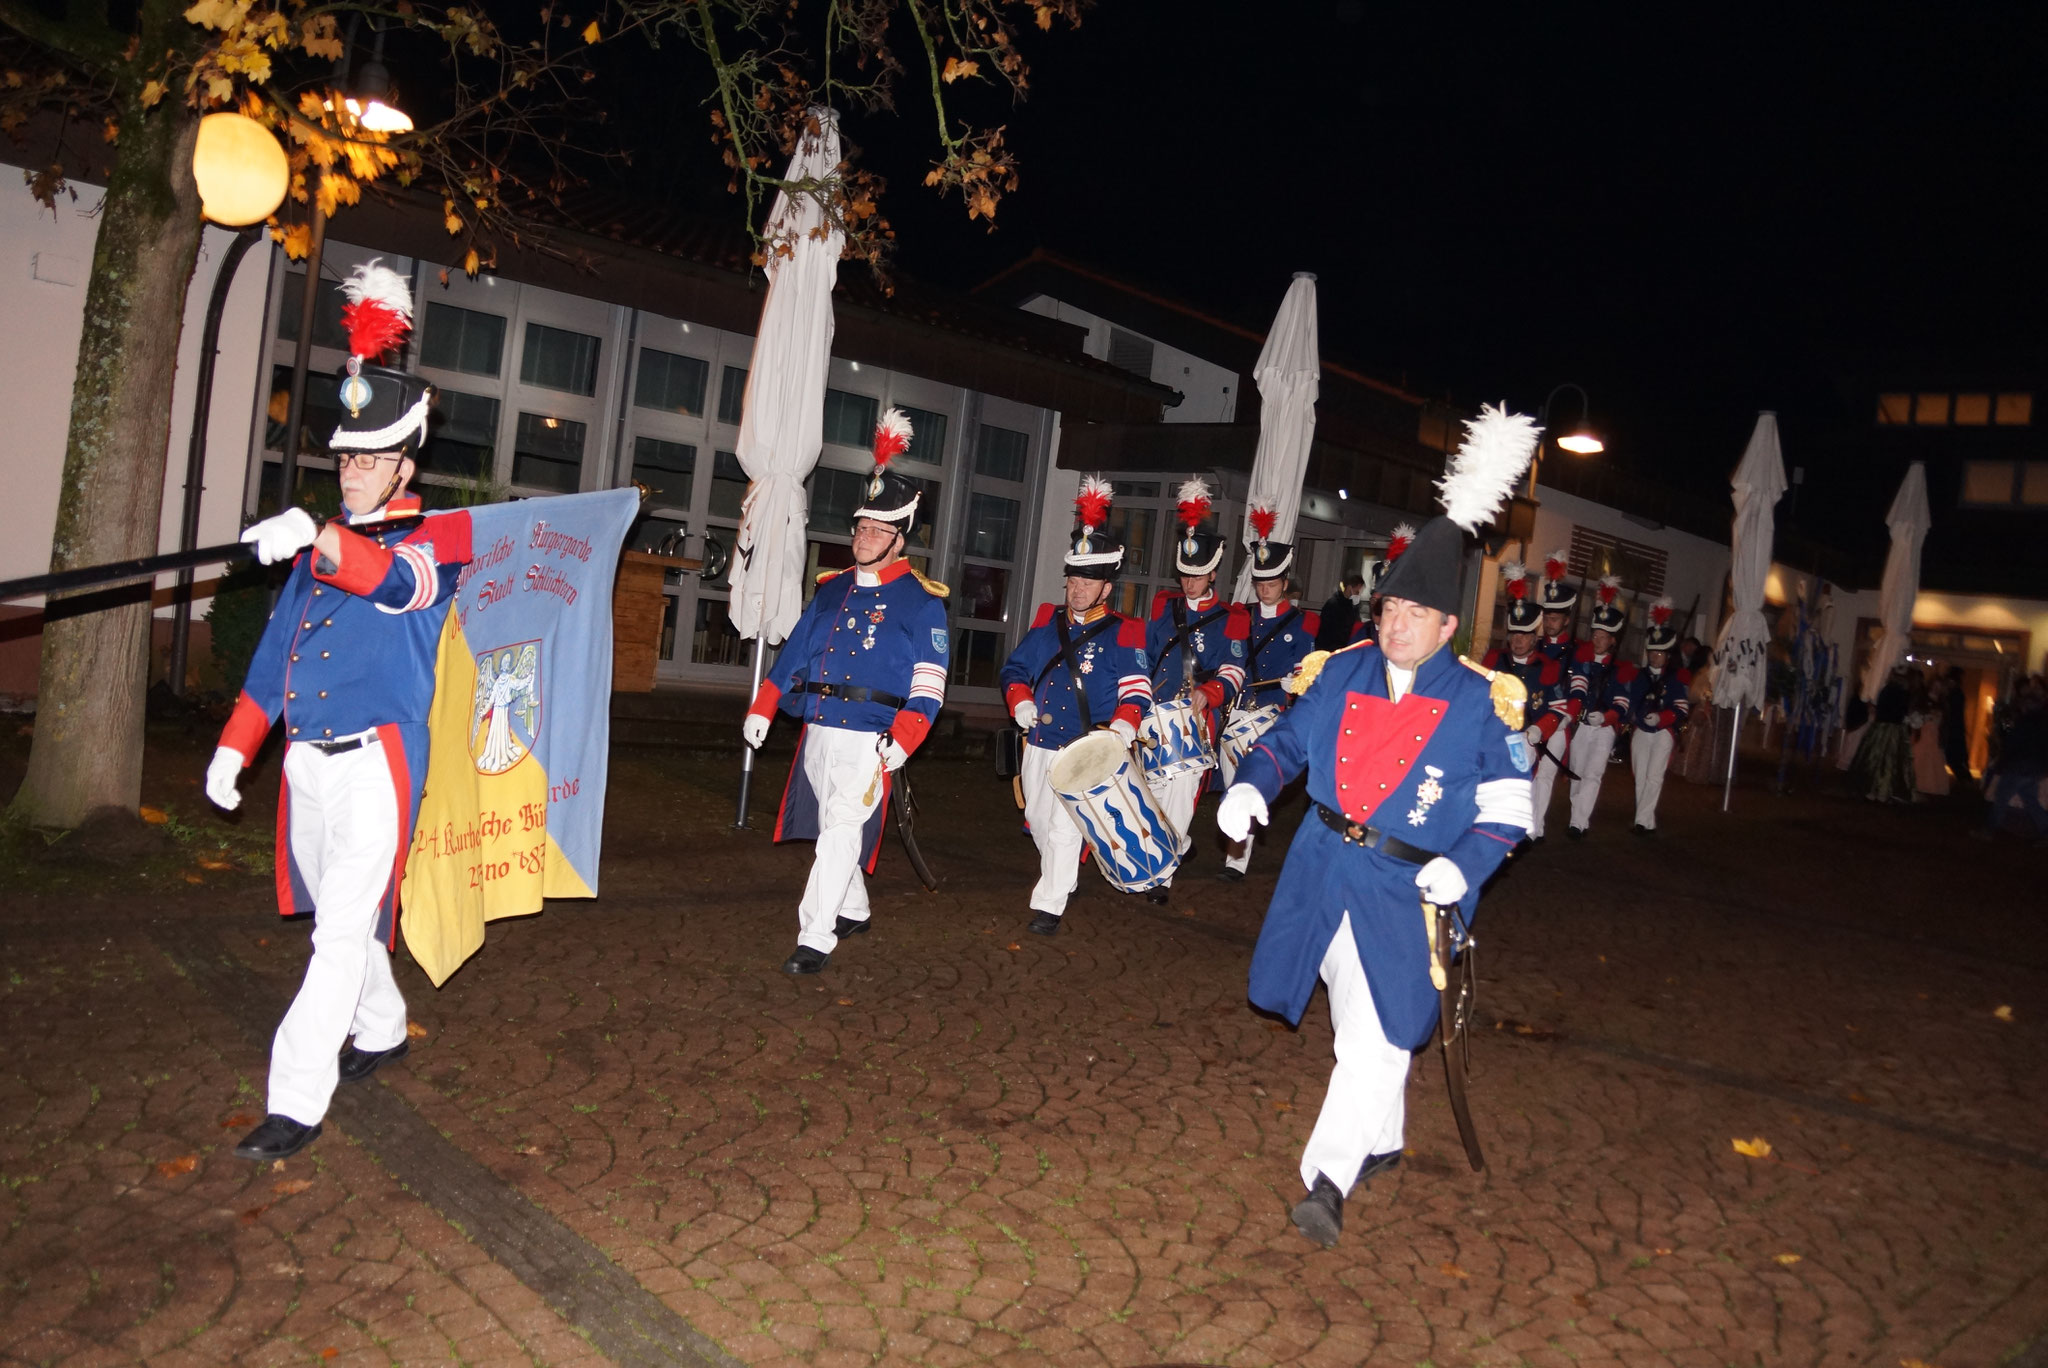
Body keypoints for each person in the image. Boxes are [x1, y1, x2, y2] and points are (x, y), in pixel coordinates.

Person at [1216, 404, 1537, 1249]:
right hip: (1320, 867)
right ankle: (1385, 1137)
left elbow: (1510, 807)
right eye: (1388, 607)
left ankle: (1327, 1179)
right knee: (1361, 1018)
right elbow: (1286, 745)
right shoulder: (1343, 669)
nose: (1393, 623)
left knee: (1377, 1028)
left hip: (1407, 887)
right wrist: (1251, 788)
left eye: (1412, 615)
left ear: (1446, 626)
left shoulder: (1478, 699)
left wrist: (1464, 866)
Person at [205, 262, 473, 1163]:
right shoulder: (323, 545)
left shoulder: (439, 542)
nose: (354, 473)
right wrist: (235, 748)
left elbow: (399, 586)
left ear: (406, 460)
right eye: (346, 459)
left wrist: (318, 539)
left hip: (378, 769)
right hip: (309, 765)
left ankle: (295, 1098)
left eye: (371, 459)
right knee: (340, 916)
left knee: (335, 928)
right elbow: (277, 656)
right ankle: (385, 1024)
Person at [741, 410, 949, 974]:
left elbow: (930, 685)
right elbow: (797, 654)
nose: (863, 538)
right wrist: (764, 706)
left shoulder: (922, 603)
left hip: (872, 740)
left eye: (877, 531)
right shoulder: (830, 591)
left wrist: (905, 738)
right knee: (837, 829)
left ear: (899, 538)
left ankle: (816, 934)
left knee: (837, 829)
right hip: (817, 730)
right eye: (861, 527)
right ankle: (853, 906)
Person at [998, 477, 1153, 937]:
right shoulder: (1047, 621)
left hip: (1086, 748)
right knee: (1039, 820)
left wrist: (1122, 731)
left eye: (1089, 580)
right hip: (1040, 741)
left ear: (1107, 587)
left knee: (1065, 828)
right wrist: (1020, 701)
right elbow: (1013, 670)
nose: (1078, 588)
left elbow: (1137, 692)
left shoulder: (1127, 631)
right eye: (1074, 578)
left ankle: (1049, 902)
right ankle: (1060, 877)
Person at [1141, 479, 1249, 903]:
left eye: (1198, 575)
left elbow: (1235, 671)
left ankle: (1161, 879)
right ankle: (1179, 847)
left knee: (1181, 796)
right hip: (1154, 713)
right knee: (1151, 795)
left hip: (1197, 718)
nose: (1189, 583)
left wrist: (1211, 693)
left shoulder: (1231, 618)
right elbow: (1144, 657)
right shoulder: (1162, 608)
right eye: (1185, 574)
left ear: (1213, 573)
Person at [1219, 523, 1320, 880]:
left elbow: (1303, 664)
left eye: (1272, 584)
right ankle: (1232, 842)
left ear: (1284, 583)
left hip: (1271, 711)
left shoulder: (1303, 622)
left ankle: (1235, 861)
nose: (1265, 590)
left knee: (1250, 780)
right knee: (1232, 782)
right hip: (1237, 707)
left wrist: (1297, 679)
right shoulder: (1239, 615)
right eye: (1260, 584)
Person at [1481, 561, 1565, 844]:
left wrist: (1539, 730)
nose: (1517, 640)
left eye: (1524, 635)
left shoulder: (1548, 666)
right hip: (1492, 732)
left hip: (1525, 737)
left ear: (1535, 637)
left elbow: (1558, 708)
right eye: (1514, 634)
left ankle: (1520, 826)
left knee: (1518, 777)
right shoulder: (1494, 660)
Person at [1608, 598, 1690, 834]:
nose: (1655, 656)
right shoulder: (1638, 675)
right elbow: (1630, 702)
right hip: (1640, 729)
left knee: (1654, 776)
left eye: (1660, 652)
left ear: (1667, 654)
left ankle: (1642, 821)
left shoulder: (1677, 677)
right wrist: (1635, 717)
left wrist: (1662, 718)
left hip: (1663, 732)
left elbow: (1681, 708)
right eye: (1652, 651)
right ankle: (1646, 818)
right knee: (1641, 775)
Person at [1562, 576, 1627, 837]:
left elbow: (1622, 702)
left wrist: (1607, 717)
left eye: (1604, 636)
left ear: (1613, 640)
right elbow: (1577, 687)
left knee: (1593, 774)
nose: (1598, 639)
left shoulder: (1623, 668)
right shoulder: (1581, 660)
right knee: (1577, 772)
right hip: (1582, 725)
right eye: (1595, 634)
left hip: (1605, 728)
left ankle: (1578, 822)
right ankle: (1577, 812)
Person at [1852, 665, 1917, 803]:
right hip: (1894, 731)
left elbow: (1881, 708)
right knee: (1889, 763)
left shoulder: (1886, 690)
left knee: (1877, 760)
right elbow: (1902, 712)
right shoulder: (1903, 693)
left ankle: (1873, 790)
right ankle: (1883, 791)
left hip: (1881, 729)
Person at [1315, 573, 1364, 653]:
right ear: (1349, 588)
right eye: (1357, 591)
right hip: (1329, 648)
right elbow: (1333, 630)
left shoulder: (1350, 605)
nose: (1358, 594)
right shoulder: (1334, 604)